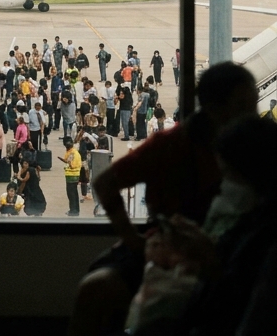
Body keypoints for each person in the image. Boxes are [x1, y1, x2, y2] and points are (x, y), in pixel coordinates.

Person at [69, 61, 260, 336]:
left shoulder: (256, 149)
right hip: (170, 246)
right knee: (95, 289)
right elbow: (106, 183)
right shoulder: (171, 146)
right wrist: (134, 241)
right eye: (242, 106)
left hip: (236, 254)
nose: (252, 115)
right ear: (212, 107)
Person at [62, 139, 82, 216]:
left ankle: (73, 210)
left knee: (71, 194)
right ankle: (76, 209)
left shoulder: (73, 153)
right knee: (74, 193)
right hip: (73, 175)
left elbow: (72, 165)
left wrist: (69, 163)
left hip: (72, 175)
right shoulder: (71, 152)